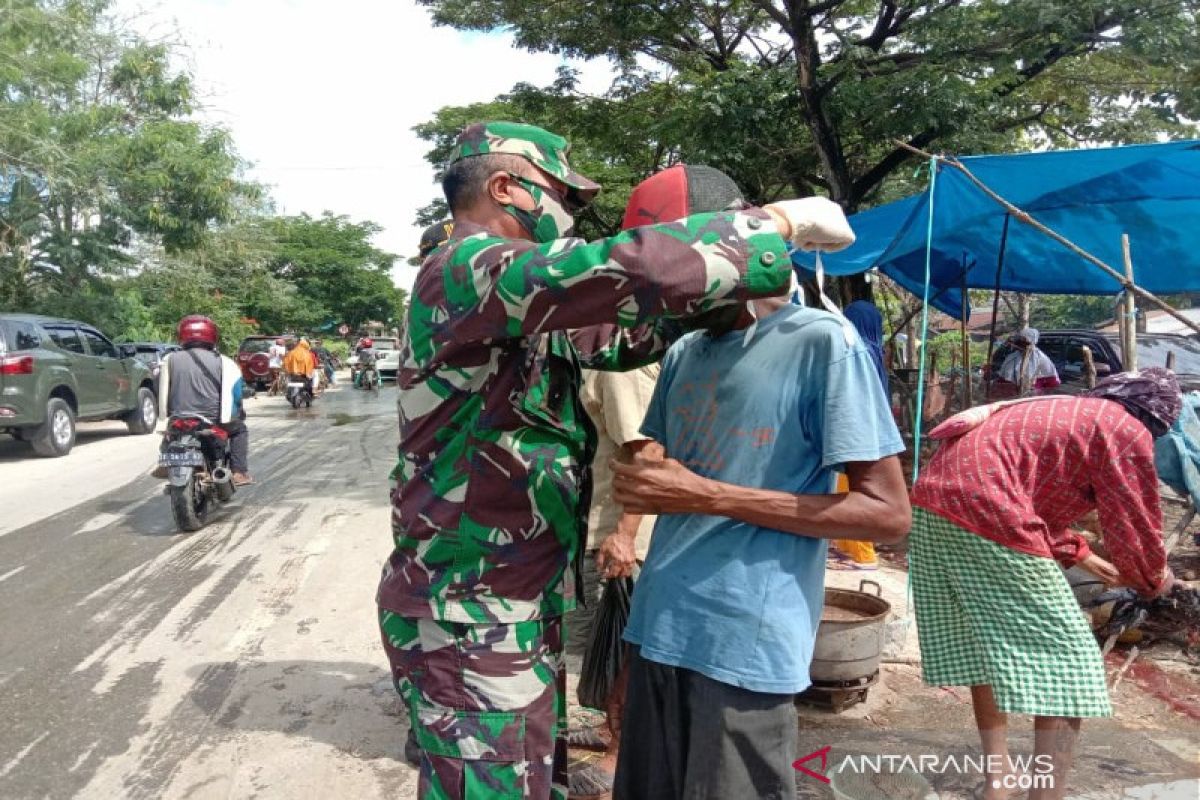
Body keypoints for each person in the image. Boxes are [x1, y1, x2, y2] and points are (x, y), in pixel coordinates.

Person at [376, 121, 855, 800]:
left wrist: (740, 297)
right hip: (467, 610)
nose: (569, 213)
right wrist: (773, 224)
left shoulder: (523, 311)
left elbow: (626, 330)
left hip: (508, 599)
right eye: (560, 194)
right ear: (506, 187)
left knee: (525, 779)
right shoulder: (464, 271)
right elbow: (627, 268)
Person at [606, 166, 910, 800]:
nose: (674, 297)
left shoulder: (822, 343)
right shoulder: (687, 352)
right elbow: (669, 467)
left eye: (682, 275)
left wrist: (708, 495)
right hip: (659, 629)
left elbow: (885, 514)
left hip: (743, 646)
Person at [909, 368, 1182, 800]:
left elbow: (1024, 491)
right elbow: (1132, 519)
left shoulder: (1058, 410)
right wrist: (1157, 581)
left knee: (984, 646)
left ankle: (999, 782)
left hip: (932, 504)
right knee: (1072, 665)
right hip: (989, 513)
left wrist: (1082, 555)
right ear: (1155, 420)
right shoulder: (1123, 428)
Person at [831, 273, 890, 571]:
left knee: (852, 491)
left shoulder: (857, 353)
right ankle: (847, 546)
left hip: (856, 434)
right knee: (845, 489)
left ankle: (864, 555)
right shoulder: (875, 351)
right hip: (870, 434)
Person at [158, 315, 253, 486]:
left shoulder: (169, 360)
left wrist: (167, 415)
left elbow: (161, 390)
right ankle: (239, 472)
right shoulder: (224, 362)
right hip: (213, 420)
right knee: (240, 430)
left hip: (179, 418)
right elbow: (236, 395)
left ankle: (166, 462)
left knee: (169, 433)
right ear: (212, 336)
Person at [997, 326, 1060, 395]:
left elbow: (1052, 382)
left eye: (1024, 340)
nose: (1020, 342)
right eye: (1020, 339)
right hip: (1011, 396)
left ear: (1031, 341)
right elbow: (1003, 379)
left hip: (1033, 399)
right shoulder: (1012, 357)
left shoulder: (1041, 358)